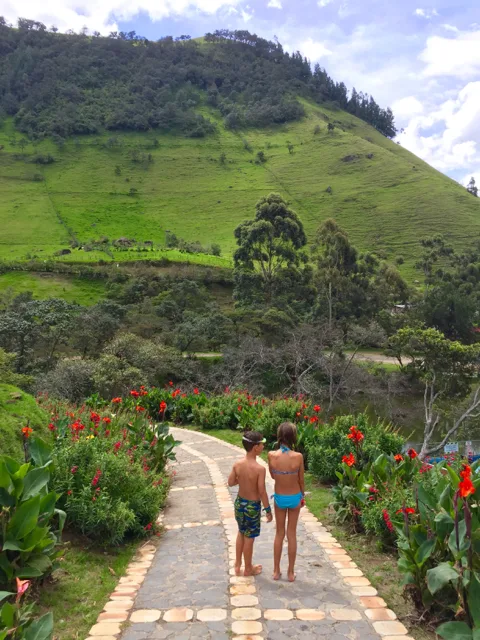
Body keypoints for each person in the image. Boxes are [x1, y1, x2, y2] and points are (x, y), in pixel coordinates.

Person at [228, 431, 273, 576]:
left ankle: (237, 564)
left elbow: (230, 482)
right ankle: (248, 568)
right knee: (249, 537)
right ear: (255, 448)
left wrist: (241, 480)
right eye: (261, 444)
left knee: (241, 532)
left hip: (239, 504)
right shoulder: (260, 469)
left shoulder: (238, 464)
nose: (263, 446)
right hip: (252, 507)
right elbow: (261, 491)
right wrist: (268, 510)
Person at [268, 422, 305, 582]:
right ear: (293, 437)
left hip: (280, 497)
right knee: (291, 534)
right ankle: (290, 572)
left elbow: (273, 476)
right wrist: (302, 496)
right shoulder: (298, 457)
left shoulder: (271, 455)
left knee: (279, 533)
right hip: (295, 497)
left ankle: (276, 571)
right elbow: (301, 480)